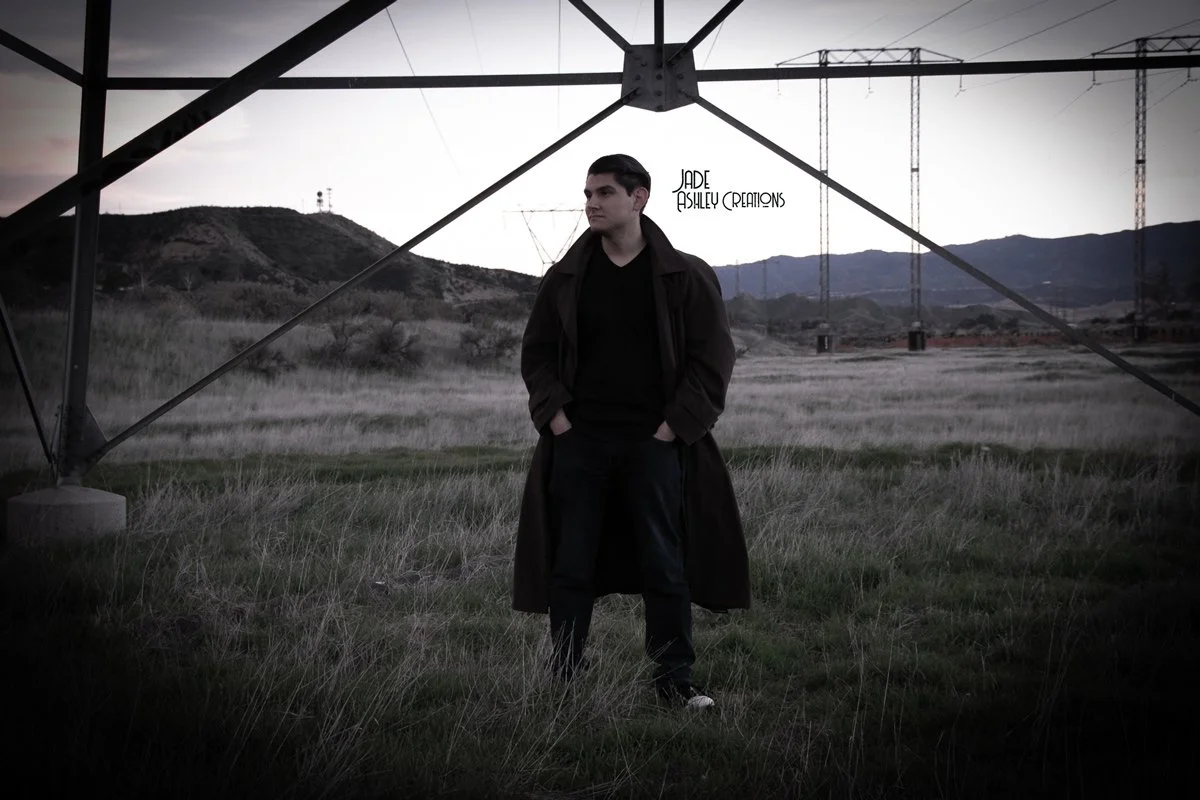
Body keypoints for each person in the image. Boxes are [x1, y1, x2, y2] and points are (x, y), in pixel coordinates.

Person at [512, 153, 751, 710]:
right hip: (581, 442)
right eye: (588, 193)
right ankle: (565, 676)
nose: (591, 203)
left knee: (664, 564)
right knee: (572, 565)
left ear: (639, 198)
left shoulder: (683, 275)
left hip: (654, 443)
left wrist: (672, 429)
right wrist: (559, 421)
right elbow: (537, 355)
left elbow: (712, 359)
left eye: (604, 193)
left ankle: (674, 681)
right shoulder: (567, 277)